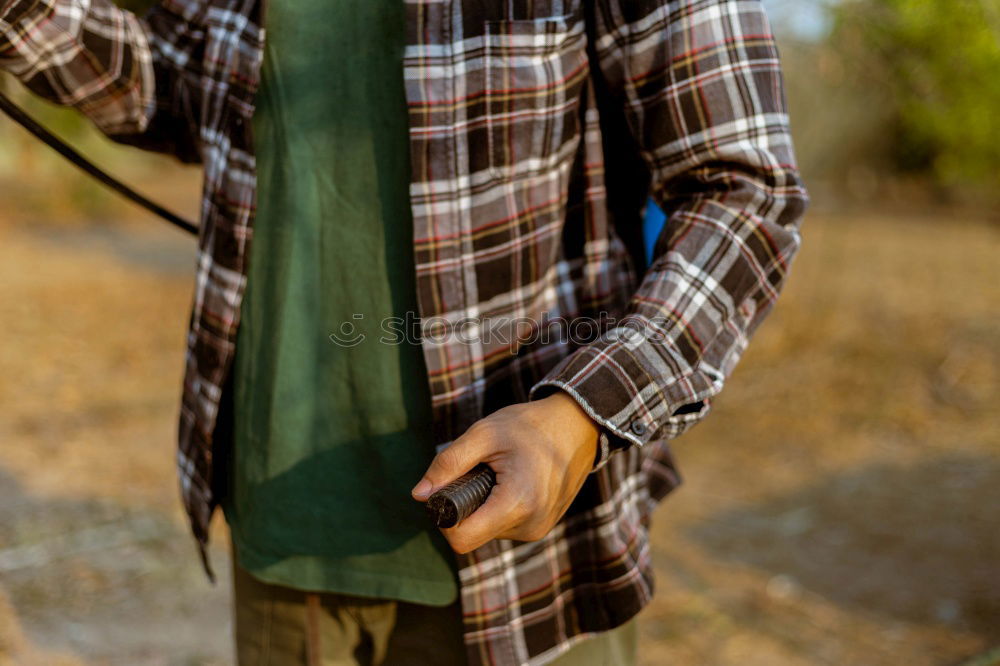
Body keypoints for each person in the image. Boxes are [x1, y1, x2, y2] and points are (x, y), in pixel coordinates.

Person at [0, 0, 808, 663]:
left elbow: (744, 191)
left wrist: (581, 416)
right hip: (282, 533)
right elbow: (174, 84)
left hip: (520, 560)